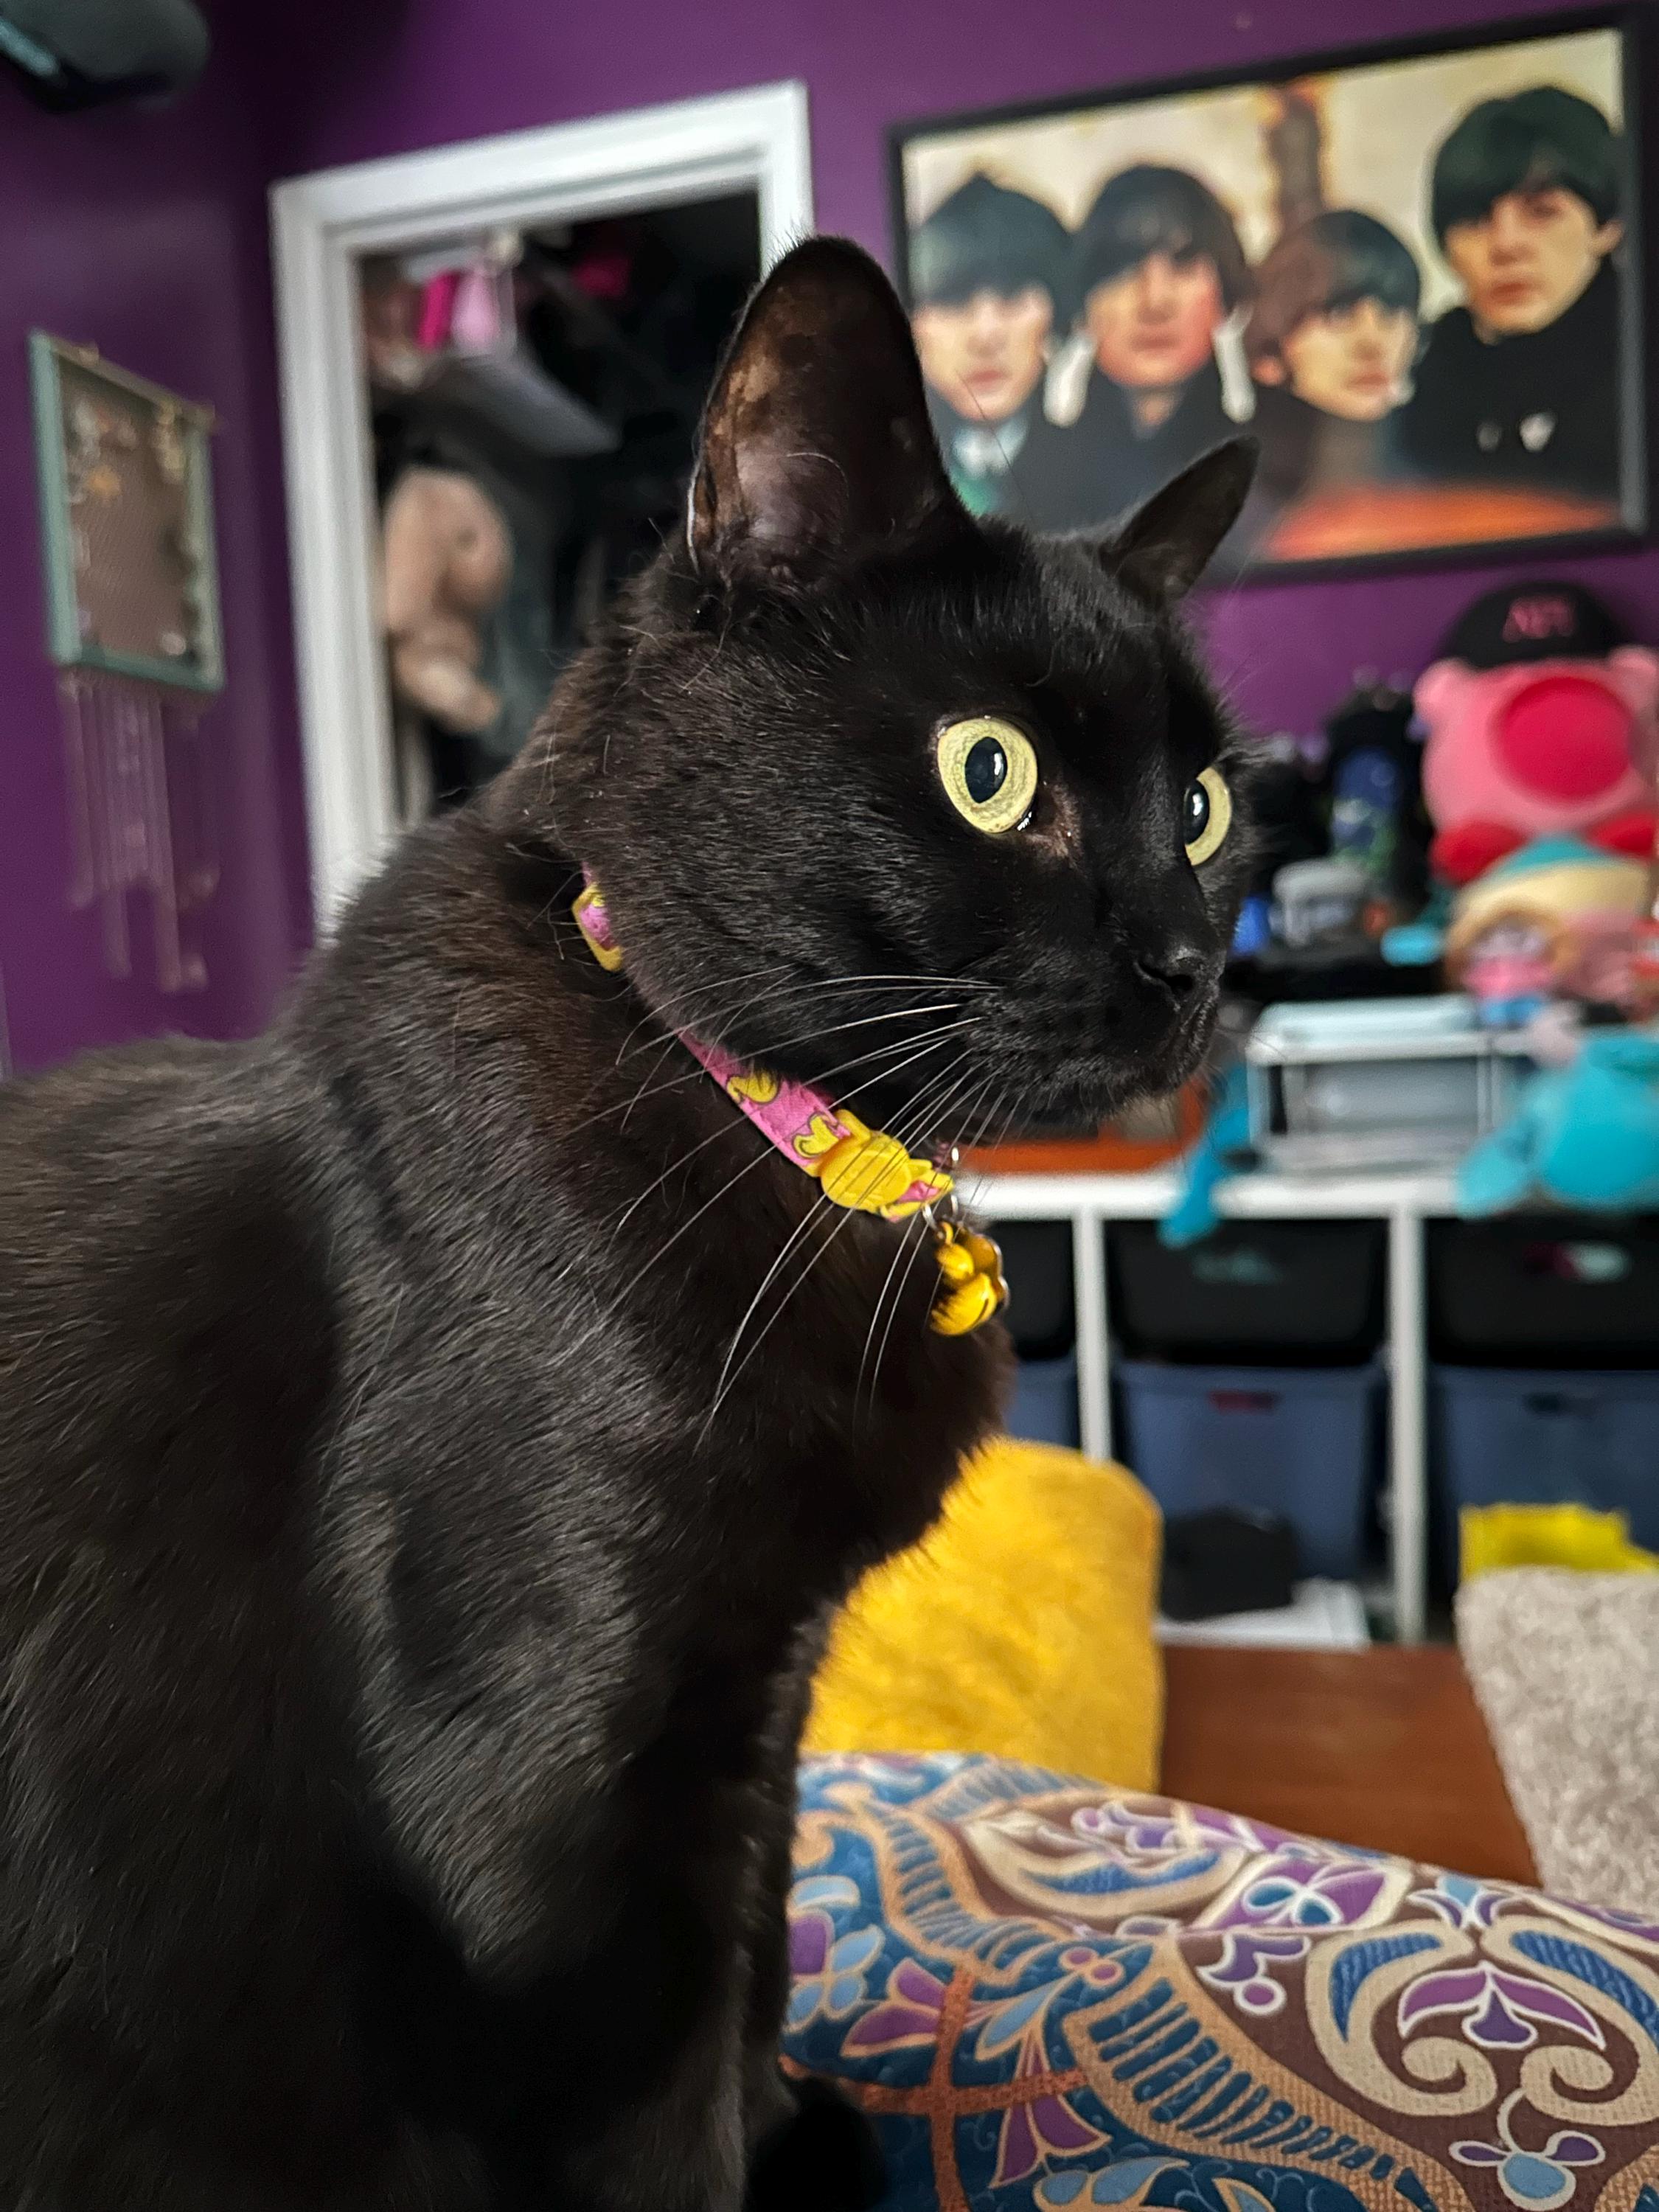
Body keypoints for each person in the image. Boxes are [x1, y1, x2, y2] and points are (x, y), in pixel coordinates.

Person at [1398, 85, 1624, 502]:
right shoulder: (1416, 378)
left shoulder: (1637, 367)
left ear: (1608, 227)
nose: (1506, 245)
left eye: (1542, 212)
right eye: (1475, 219)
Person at [1021, 164, 1251, 529]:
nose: (1155, 302)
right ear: (1084, 307)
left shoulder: (1281, 442)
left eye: (1183, 265)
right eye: (1124, 269)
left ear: (1223, 296)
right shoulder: (1031, 458)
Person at [1242, 209, 1422, 542]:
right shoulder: (1233, 494)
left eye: (1391, 311)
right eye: (1338, 314)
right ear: (1272, 349)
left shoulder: (1436, 479)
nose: (1373, 343)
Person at [908, 172, 1073, 518]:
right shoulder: (882, 484)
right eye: (953, 301)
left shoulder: (1097, 473)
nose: (986, 337)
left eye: (1012, 296)